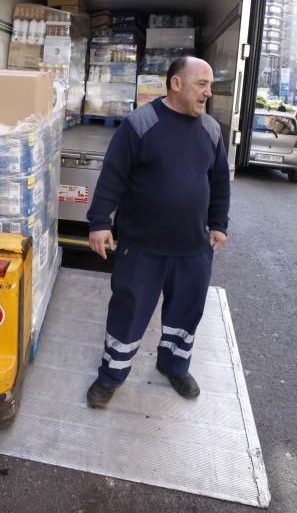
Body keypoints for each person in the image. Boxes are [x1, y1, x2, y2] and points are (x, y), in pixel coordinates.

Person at [86, 56, 230, 407]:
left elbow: (220, 182)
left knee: (187, 313)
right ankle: (111, 375)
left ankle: (174, 366)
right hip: (142, 248)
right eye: (202, 84)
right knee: (129, 312)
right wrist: (100, 222)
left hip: (193, 249)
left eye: (210, 86)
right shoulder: (140, 124)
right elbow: (112, 176)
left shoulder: (211, 130)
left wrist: (218, 224)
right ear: (176, 83)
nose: (208, 93)